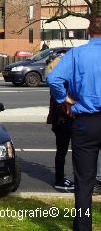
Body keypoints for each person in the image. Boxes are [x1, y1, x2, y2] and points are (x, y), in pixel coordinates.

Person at [47, 15, 101, 231]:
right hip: (86, 119)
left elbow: (53, 78)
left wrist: (65, 100)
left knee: (84, 182)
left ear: (88, 32)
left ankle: (82, 227)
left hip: (85, 121)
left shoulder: (77, 54)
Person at [46, 54, 74, 191]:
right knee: (71, 150)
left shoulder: (55, 84)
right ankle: (60, 180)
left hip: (58, 120)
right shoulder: (62, 84)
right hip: (64, 119)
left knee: (61, 151)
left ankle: (60, 178)